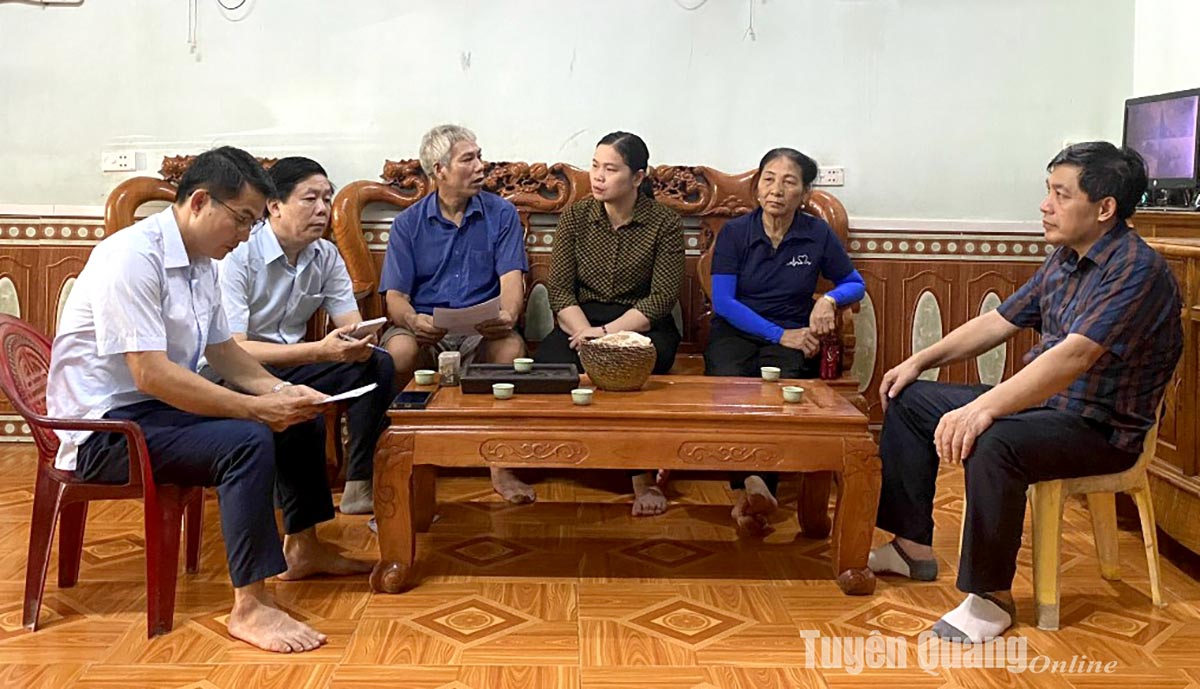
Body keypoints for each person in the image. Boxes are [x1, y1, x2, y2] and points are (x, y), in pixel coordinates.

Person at [47, 146, 373, 654]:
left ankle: (304, 546)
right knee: (246, 439)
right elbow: (150, 374)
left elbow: (223, 352)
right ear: (200, 201)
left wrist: (281, 394)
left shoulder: (200, 260)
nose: (247, 233)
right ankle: (249, 607)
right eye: (242, 219)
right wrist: (255, 408)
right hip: (103, 432)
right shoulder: (132, 257)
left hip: (148, 411)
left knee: (297, 419)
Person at [868, 142, 1182, 643]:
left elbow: (1073, 358)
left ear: (1104, 209)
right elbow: (998, 321)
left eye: (1060, 194)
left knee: (995, 441)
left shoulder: (1137, 271)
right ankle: (912, 549)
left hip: (1100, 429)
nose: (1045, 205)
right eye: (1048, 191)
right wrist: (919, 360)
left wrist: (981, 409)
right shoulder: (1065, 259)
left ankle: (990, 598)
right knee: (909, 400)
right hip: (1050, 410)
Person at [211, 156, 397, 515]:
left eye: (327, 199)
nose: (322, 209)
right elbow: (235, 347)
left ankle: (360, 483)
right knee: (300, 409)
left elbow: (349, 325)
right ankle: (293, 519)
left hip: (292, 362)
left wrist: (359, 342)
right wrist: (320, 351)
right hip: (232, 372)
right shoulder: (238, 255)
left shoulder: (325, 255)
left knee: (378, 364)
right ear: (275, 206)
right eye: (310, 199)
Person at [703, 147, 865, 534]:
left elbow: (853, 284)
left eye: (788, 181)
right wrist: (779, 334)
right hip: (738, 331)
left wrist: (828, 300)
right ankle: (754, 484)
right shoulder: (736, 233)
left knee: (780, 391)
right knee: (730, 385)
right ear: (757, 187)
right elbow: (724, 301)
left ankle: (752, 491)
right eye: (769, 179)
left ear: (804, 193)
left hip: (794, 335)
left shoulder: (815, 234)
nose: (776, 189)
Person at [534, 131, 685, 517]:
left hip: (641, 325)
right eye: (595, 166)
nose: (598, 177)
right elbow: (561, 290)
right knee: (546, 372)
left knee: (630, 374)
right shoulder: (576, 216)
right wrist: (585, 333)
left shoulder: (664, 223)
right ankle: (515, 464)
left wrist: (606, 336)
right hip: (580, 323)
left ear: (637, 177)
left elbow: (661, 298)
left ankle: (641, 476)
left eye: (611, 169)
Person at [379, 125, 532, 503]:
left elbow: (512, 280)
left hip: (484, 327)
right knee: (398, 353)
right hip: (426, 327)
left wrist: (509, 314)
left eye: (480, 156)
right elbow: (395, 297)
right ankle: (409, 459)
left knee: (511, 351)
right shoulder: (407, 224)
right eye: (469, 159)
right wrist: (414, 321)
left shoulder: (502, 214)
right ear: (440, 170)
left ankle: (501, 464)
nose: (482, 166)